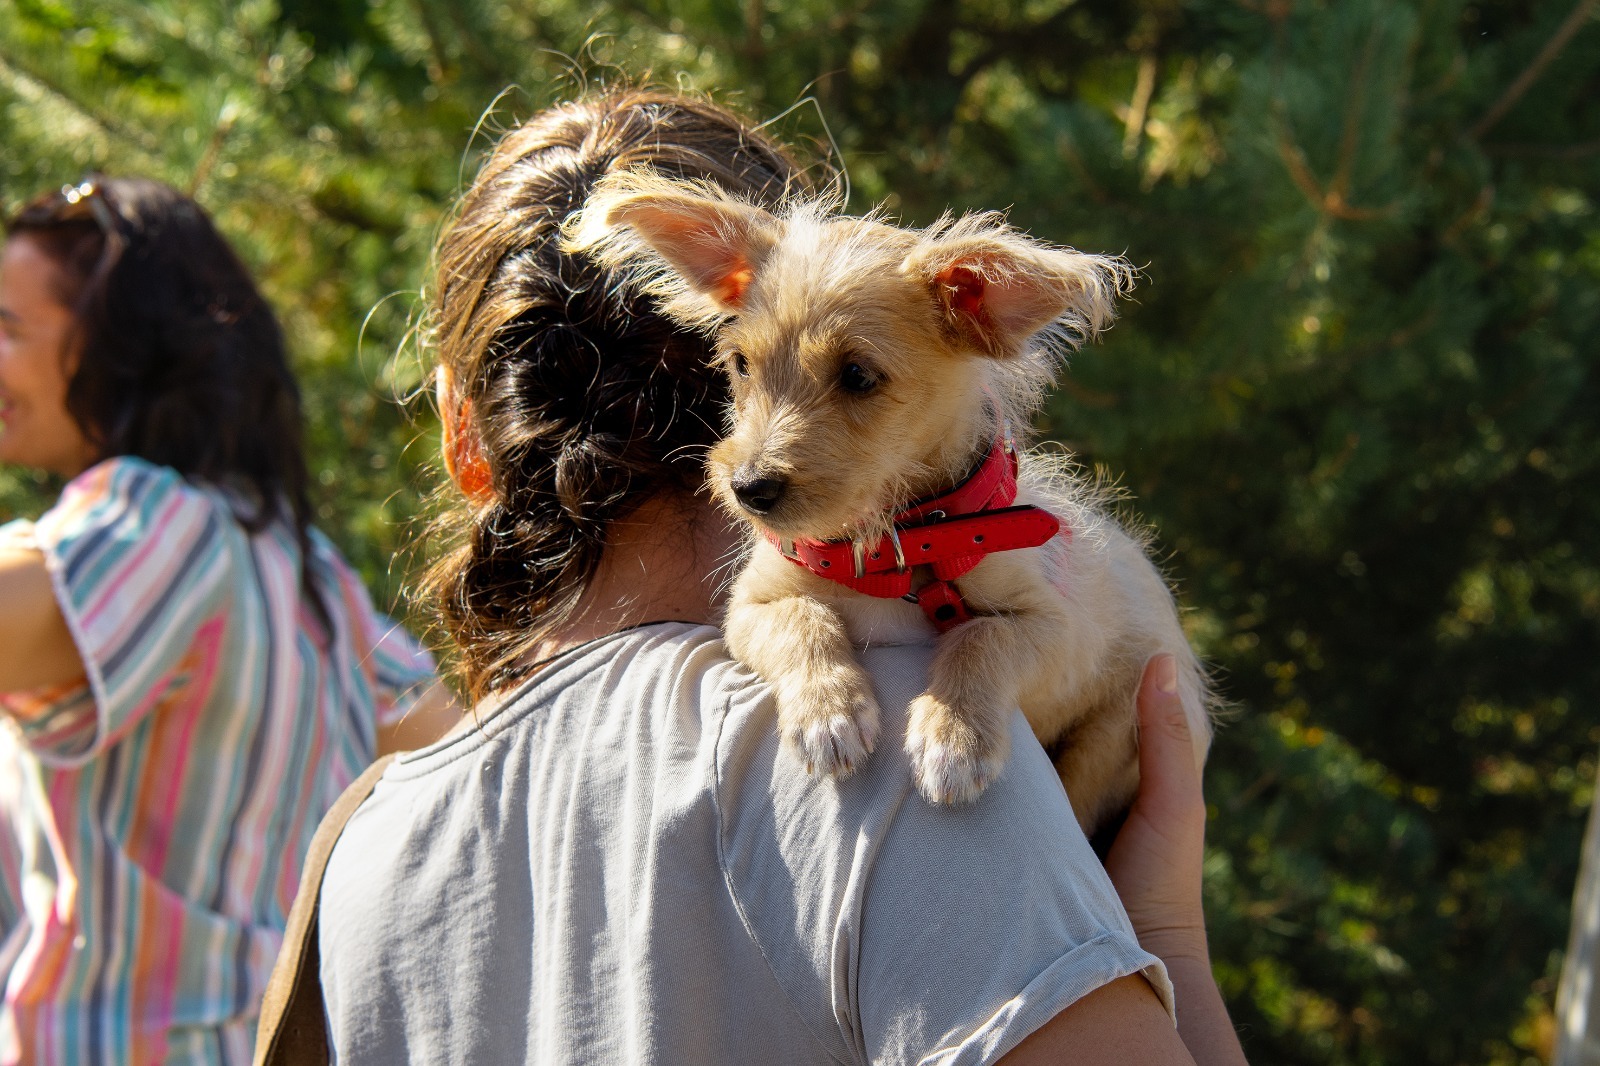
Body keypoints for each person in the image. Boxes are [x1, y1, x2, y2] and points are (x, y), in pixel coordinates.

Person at [307, 88, 1249, 1065]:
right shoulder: (905, 768)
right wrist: (1163, 937)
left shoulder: (362, 860)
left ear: (459, 430)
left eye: (853, 378)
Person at [0, 176, 451, 1063]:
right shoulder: (306, 570)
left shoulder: (152, 521)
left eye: (10, 326)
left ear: (121, 347)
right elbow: (463, 758)